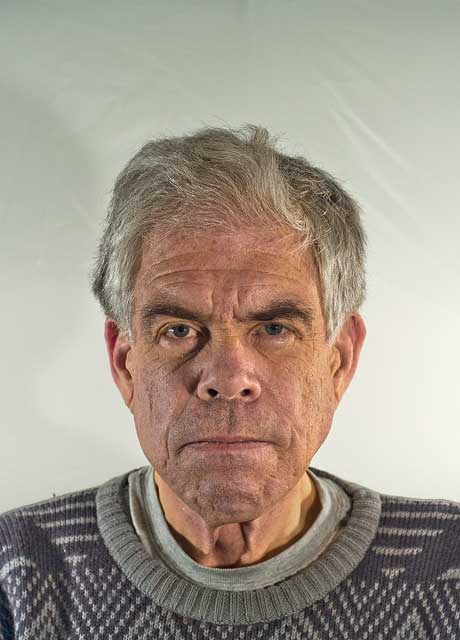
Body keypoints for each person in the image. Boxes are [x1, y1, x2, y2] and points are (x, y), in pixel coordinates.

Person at [0, 124, 458, 640]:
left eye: (275, 329)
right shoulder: (16, 573)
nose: (228, 378)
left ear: (339, 359)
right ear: (125, 362)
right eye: (178, 330)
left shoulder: (449, 569)